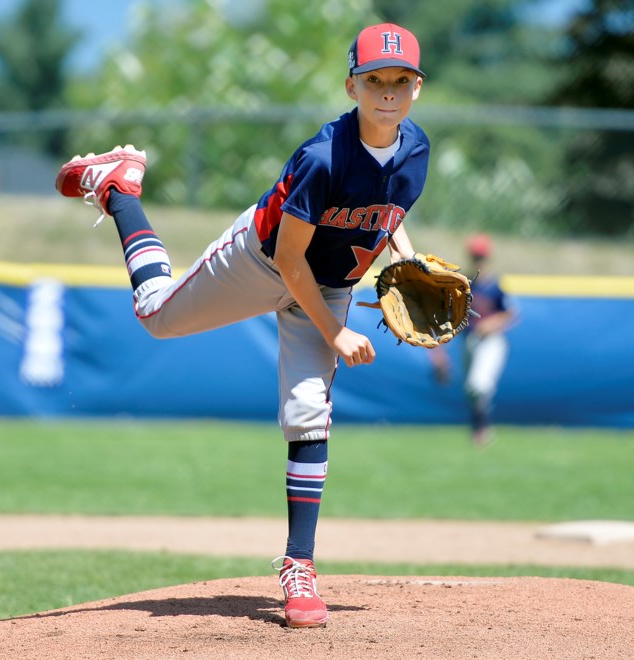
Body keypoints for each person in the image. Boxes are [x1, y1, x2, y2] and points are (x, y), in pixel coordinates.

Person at [55, 22, 430, 628]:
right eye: (374, 80)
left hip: (331, 283)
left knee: (309, 409)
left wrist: (405, 258)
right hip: (259, 261)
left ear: (417, 87)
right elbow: (287, 260)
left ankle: (299, 567)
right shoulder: (322, 158)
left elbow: (386, 214)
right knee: (155, 313)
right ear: (352, 85)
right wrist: (334, 334)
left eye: (401, 81)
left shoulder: (416, 149)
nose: (388, 92)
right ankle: (119, 187)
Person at [429, 233, 517, 446]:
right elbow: (446, 319)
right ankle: (479, 429)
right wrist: (438, 353)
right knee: (471, 391)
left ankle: (482, 429)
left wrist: (491, 324)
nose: (478, 259)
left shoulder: (494, 285)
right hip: (468, 342)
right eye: (475, 256)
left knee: (478, 385)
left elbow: (510, 313)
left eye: (481, 256)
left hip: (492, 341)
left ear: (487, 257)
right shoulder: (464, 285)